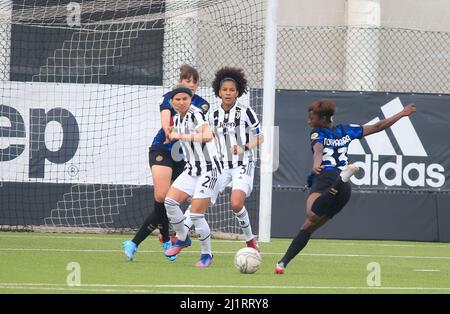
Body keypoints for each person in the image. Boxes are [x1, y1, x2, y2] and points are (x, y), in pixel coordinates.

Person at [274, 99, 417, 274]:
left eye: (312, 118)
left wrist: (316, 163)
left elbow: (318, 149)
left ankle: (341, 180)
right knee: (308, 226)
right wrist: (402, 114)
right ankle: (282, 263)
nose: (308, 121)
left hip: (326, 178)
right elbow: (378, 126)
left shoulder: (317, 133)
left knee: (311, 214)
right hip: (343, 191)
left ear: (324, 118)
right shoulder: (346, 130)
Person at [122, 65, 209, 262]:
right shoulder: (170, 98)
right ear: (180, 83)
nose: (191, 85)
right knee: (161, 196)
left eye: (194, 82)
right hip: (163, 149)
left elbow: (205, 131)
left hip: (185, 158)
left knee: (172, 202)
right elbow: (166, 123)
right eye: (187, 81)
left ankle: (134, 242)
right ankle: (166, 239)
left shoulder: (201, 106)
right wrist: (170, 132)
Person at [187, 66, 263, 251]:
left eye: (232, 90)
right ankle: (180, 235)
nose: (228, 93)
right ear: (219, 92)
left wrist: (244, 147)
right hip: (220, 166)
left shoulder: (246, 112)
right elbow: (207, 138)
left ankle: (250, 239)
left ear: (238, 92)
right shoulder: (212, 114)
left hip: (242, 164)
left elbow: (261, 136)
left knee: (236, 204)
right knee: (199, 200)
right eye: (225, 90)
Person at [163, 84, 223, 268]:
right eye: (177, 99)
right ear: (172, 101)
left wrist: (181, 135)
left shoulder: (195, 114)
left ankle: (207, 255)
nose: (181, 102)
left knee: (196, 215)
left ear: (190, 100)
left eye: (185, 99)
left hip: (209, 168)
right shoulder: (176, 117)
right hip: (191, 170)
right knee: (170, 202)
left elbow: (207, 135)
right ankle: (183, 239)